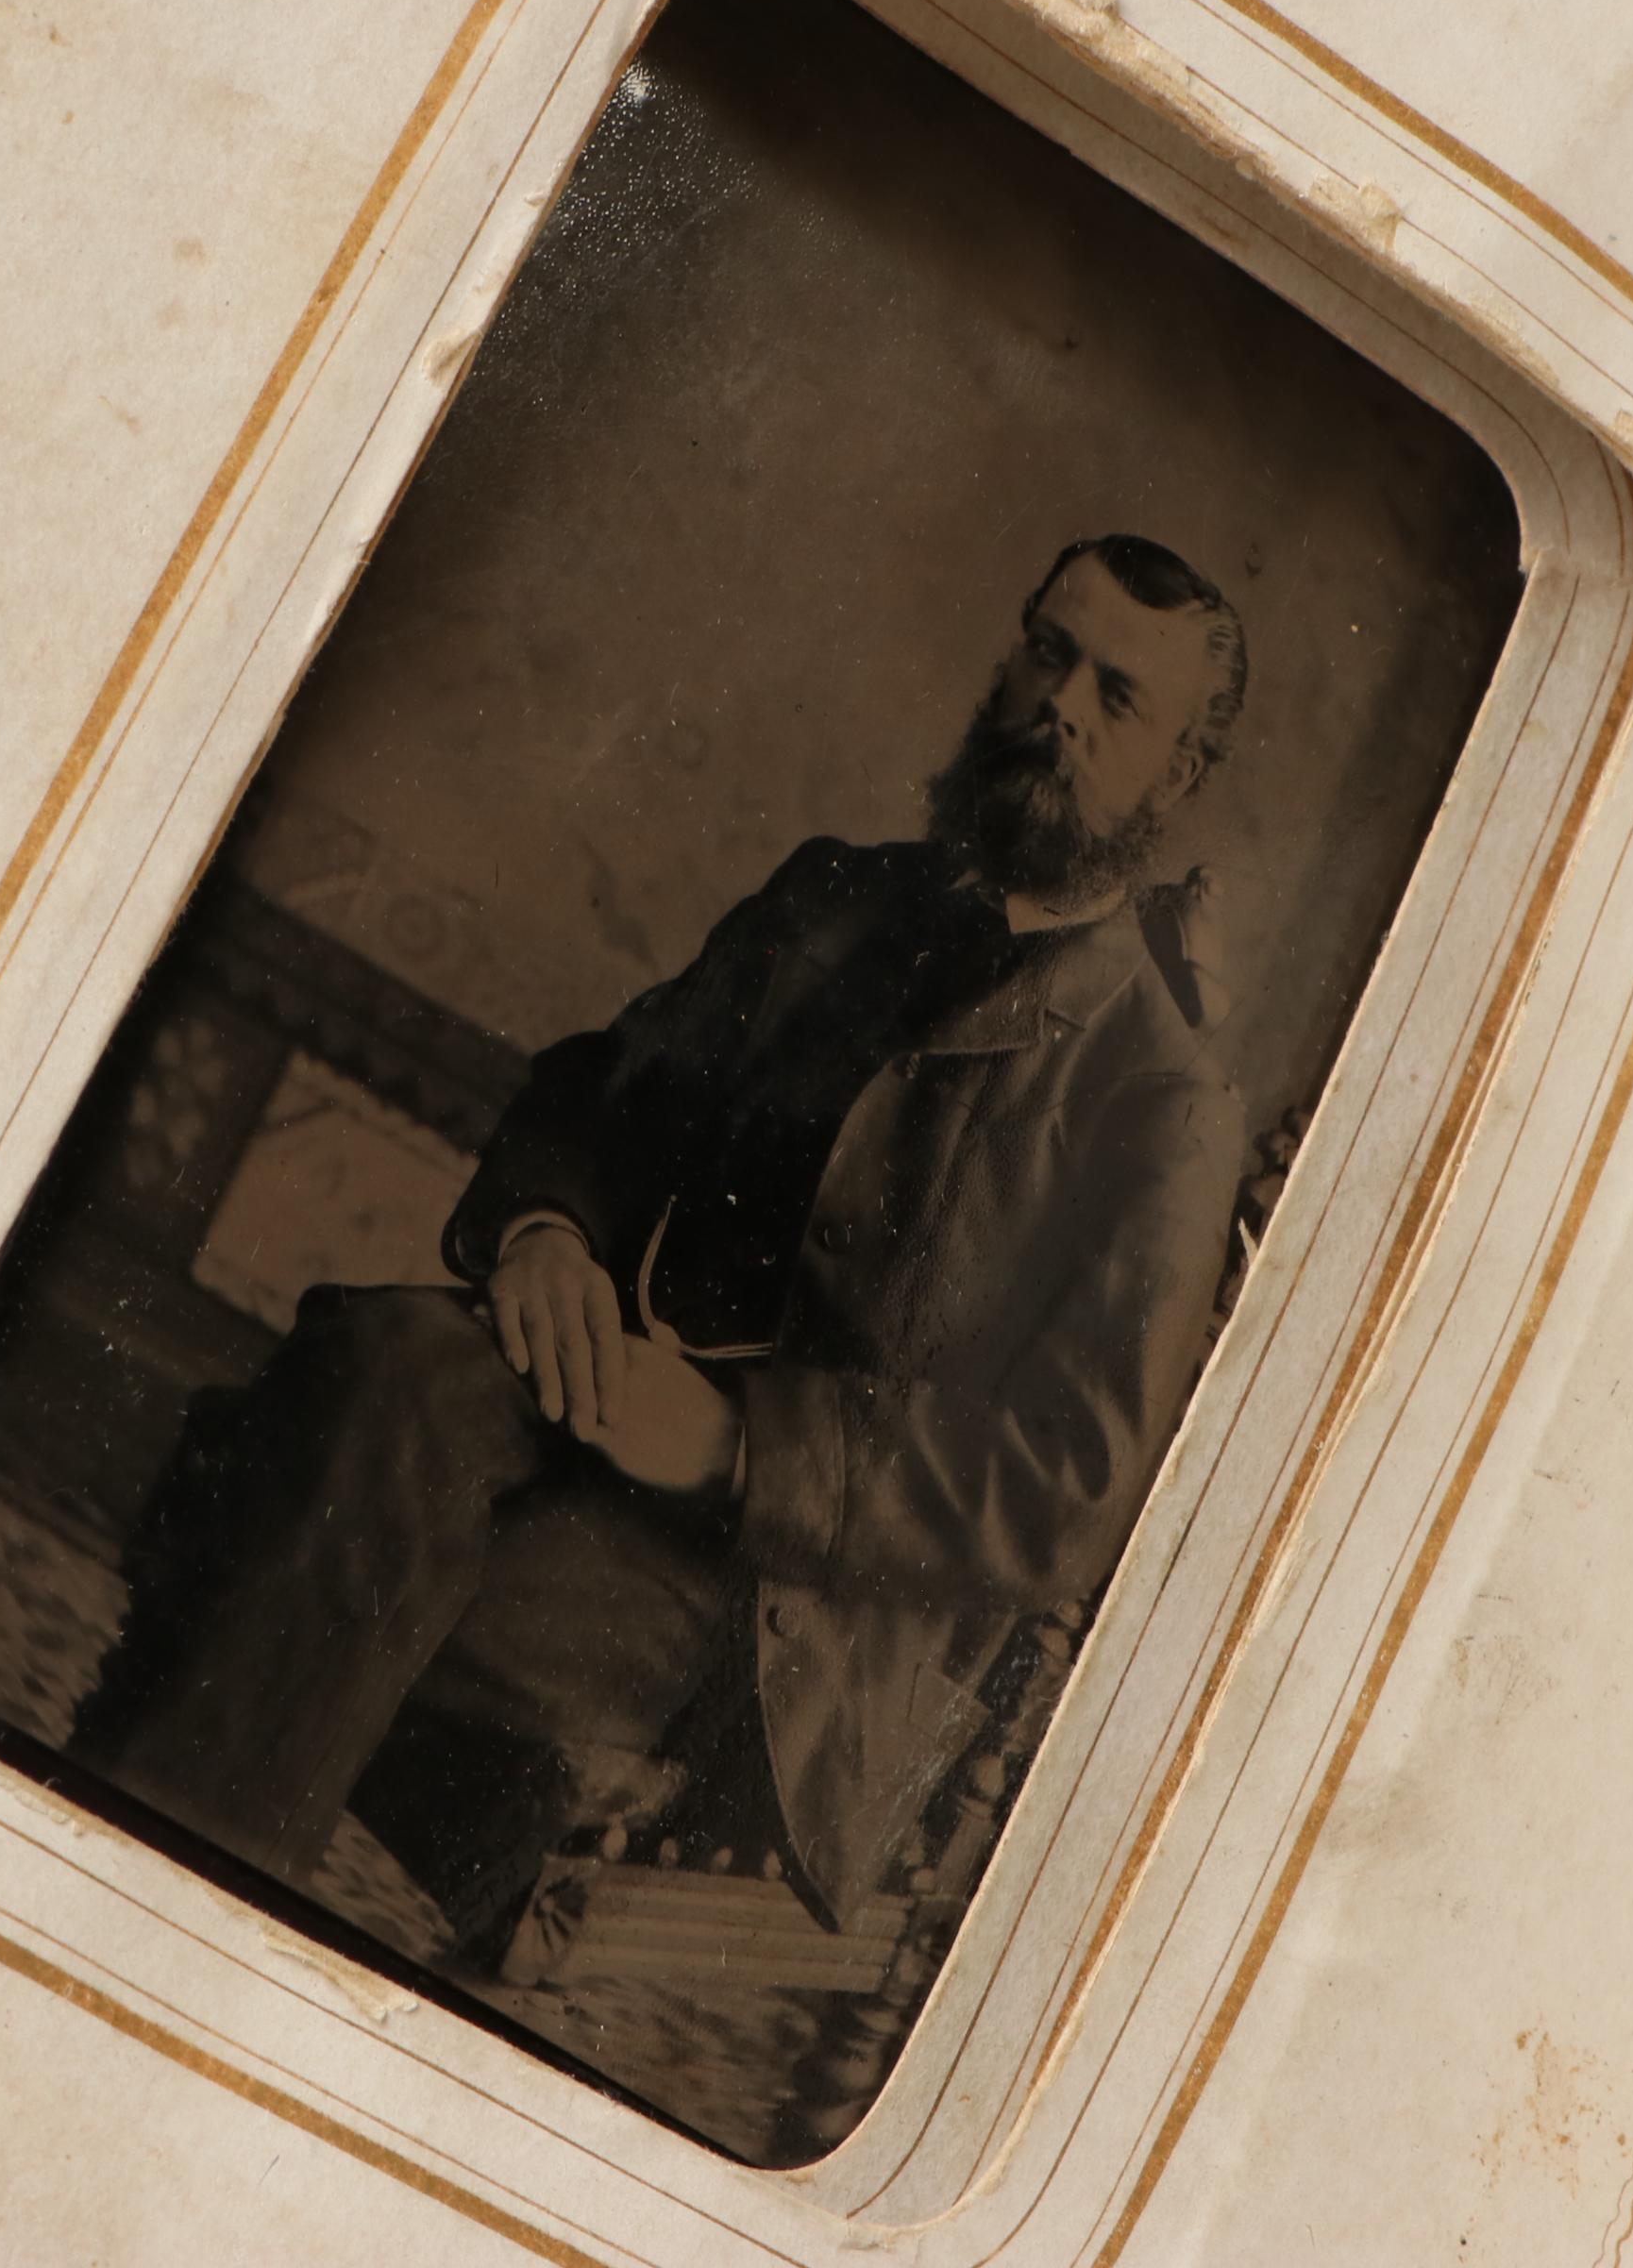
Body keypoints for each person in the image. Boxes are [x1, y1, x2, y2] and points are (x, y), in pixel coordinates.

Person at [72, 532, 1251, 1959]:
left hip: (782, 1604)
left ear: (1179, 777)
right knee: (377, 1358)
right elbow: (603, 1089)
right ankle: (160, 1896)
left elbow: (1062, 1485)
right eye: (1048, 651)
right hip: (583, 1396)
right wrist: (547, 1236)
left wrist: (734, 1446)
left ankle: (135, 1911)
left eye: (1119, 697)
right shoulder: (837, 896)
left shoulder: (1162, 1103)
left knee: (317, 1505)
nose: (1059, 703)